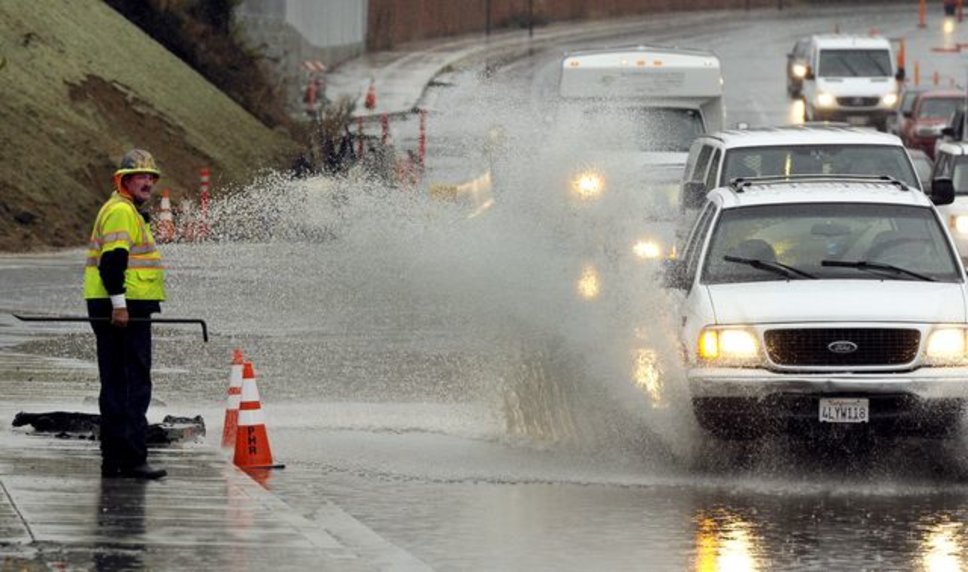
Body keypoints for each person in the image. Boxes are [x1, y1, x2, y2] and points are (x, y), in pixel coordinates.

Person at [83, 149, 167, 479]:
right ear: (124, 180)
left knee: (118, 382)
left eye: (151, 176)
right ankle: (131, 458)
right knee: (132, 383)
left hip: (122, 306)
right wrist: (119, 305)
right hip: (123, 309)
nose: (149, 181)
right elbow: (112, 263)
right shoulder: (121, 211)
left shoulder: (124, 210)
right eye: (141, 176)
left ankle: (115, 457)